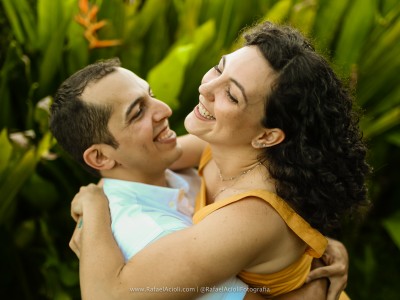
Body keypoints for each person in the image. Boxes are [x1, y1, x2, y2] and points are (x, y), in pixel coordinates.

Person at [67, 20, 362, 299]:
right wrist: (323, 246)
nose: (206, 89)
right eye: (219, 69)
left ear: (268, 136)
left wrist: (93, 207)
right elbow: (135, 159)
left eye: (231, 95)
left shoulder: (247, 216)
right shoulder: (223, 143)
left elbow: (108, 295)